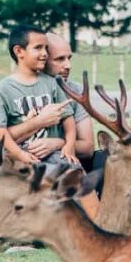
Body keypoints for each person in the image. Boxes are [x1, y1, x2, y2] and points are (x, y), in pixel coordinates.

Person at [0, 24, 78, 167]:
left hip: (52, 153)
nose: (45, 53)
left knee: (76, 174)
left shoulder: (51, 83)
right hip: (19, 154)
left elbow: (68, 119)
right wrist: (20, 154)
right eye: (38, 48)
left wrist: (69, 146)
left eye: (46, 48)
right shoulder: (4, 89)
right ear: (19, 51)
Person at [41, 33, 96, 164]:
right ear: (42, 60)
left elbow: (88, 148)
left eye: (69, 58)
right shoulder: (20, 88)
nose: (68, 66)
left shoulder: (76, 90)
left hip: (65, 164)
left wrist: (58, 143)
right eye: (59, 59)